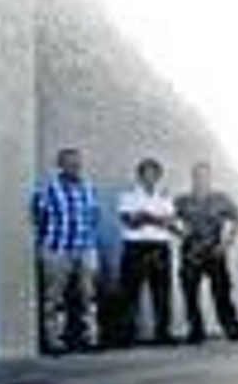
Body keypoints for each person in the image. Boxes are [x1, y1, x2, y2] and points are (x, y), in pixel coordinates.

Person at [31, 146, 102, 354]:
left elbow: (94, 216)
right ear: (60, 165)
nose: (74, 166)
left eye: (77, 162)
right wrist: (49, 242)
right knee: (54, 298)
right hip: (57, 249)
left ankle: (90, 338)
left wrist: (88, 241)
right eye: (69, 162)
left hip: (85, 248)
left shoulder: (88, 188)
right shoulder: (47, 189)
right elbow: (39, 217)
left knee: (88, 296)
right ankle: (55, 340)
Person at [174, 161, 238, 344]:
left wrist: (226, 243)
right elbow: (169, 220)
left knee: (222, 291)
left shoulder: (220, 198)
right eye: (198, 175)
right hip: (191, 251)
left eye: (205, 175)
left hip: (214, 250)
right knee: (190, 293)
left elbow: (237, 219)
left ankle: (232, 327)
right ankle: (196, 330)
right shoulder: (182, 200)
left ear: (210, 177)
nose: (202, 178)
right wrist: (180, 232)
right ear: (193, 177)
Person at [115, 157, 180, 347]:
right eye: (146, 173)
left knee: (162, 292)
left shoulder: (165, 196)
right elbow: (130, 222)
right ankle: (127, 335)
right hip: (136, 247)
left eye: (154, 173)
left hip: (159, 246)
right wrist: (157, 219)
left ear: (158, 176)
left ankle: (163, 333)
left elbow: (170, 222)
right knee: (130, 292)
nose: (150, 177)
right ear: (140, 175)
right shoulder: (128, 195)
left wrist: (146, 216)